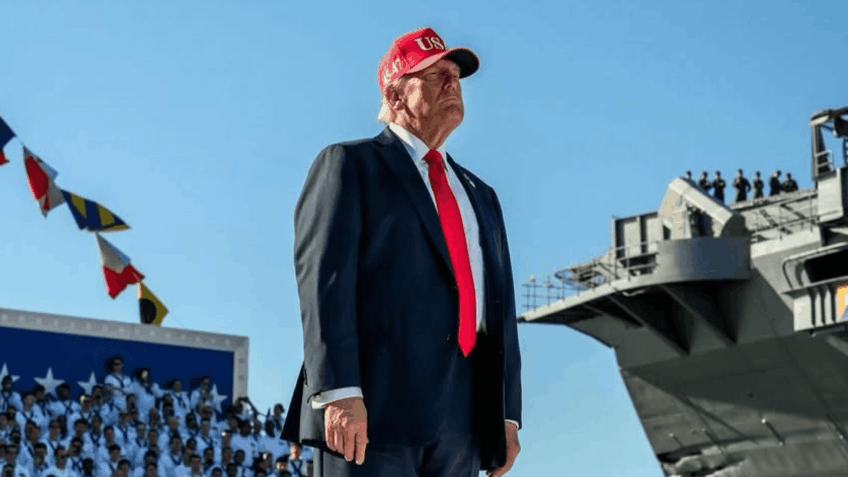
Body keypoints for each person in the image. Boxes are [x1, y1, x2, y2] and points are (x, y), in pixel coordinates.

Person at [281, 26, 522, 477]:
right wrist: (339, 391)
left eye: (455, 76)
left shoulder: (482, 195)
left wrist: (507, 415)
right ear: (394, 96)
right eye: (435, 76)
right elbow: (324, 284)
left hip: (465, 416)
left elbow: (499, 310)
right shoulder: (350, 165)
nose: (452, 85)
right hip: (373, 407)